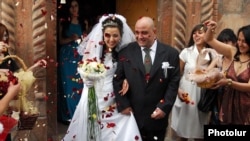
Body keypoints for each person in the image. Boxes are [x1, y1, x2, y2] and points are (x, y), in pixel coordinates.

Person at [62, 14, 142, 141]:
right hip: (94, 93)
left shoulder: (125, 52)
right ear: (102, 35)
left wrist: (127, 79)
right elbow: (82, 68)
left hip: (115, 96)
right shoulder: (93, 49)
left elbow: (131, 71)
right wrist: (87, 79)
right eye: (108, 35)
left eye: (115, 35)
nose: (111, 39)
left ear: (121, 35)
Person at [113, 16, 180, 141]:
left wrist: (164, 107)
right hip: (132, 116)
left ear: (154, 32)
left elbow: (173, 83)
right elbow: (117, 79)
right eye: (137, 32)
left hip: (156, 117)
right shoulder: (126, 52)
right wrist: (123, 105)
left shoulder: (171, 54)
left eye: (144, 33)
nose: (139, 36)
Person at [171, 24, 217, 141]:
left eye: (200, 32)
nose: (196, 35)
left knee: (200, 129)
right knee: (183, 129)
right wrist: (177, 90)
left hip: (202, 93)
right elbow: (176, 74)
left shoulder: (212, 53)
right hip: (186, 92)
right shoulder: (186, 52)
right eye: (194, 33)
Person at [204, 20, 250, 125]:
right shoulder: (233, 52)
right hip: (227, 103)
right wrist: (211, 29)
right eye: (239, 40)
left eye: (244, 41)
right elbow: (209, 40)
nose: (240, 44)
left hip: (246, 107)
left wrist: (229, 82)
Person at [58, 0, 85, 124]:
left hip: (79, 57)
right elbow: (60, 41)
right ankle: (68, 117)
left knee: (78, 86)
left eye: (76, 6)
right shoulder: (63, 23)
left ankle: (78, 116)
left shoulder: (84, 23)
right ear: (68, 9)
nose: (74, 9)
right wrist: (70, 38)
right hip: (66, 57)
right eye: (71, 7)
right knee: (67, 87)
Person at [209, 28, 237, 125]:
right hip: (218, 98)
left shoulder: (238, 59)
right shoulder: (219, 58)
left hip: (234, 97)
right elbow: (207, 72)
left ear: (234, 43)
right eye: (221, 42)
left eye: (226, 42)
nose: (223, 46)